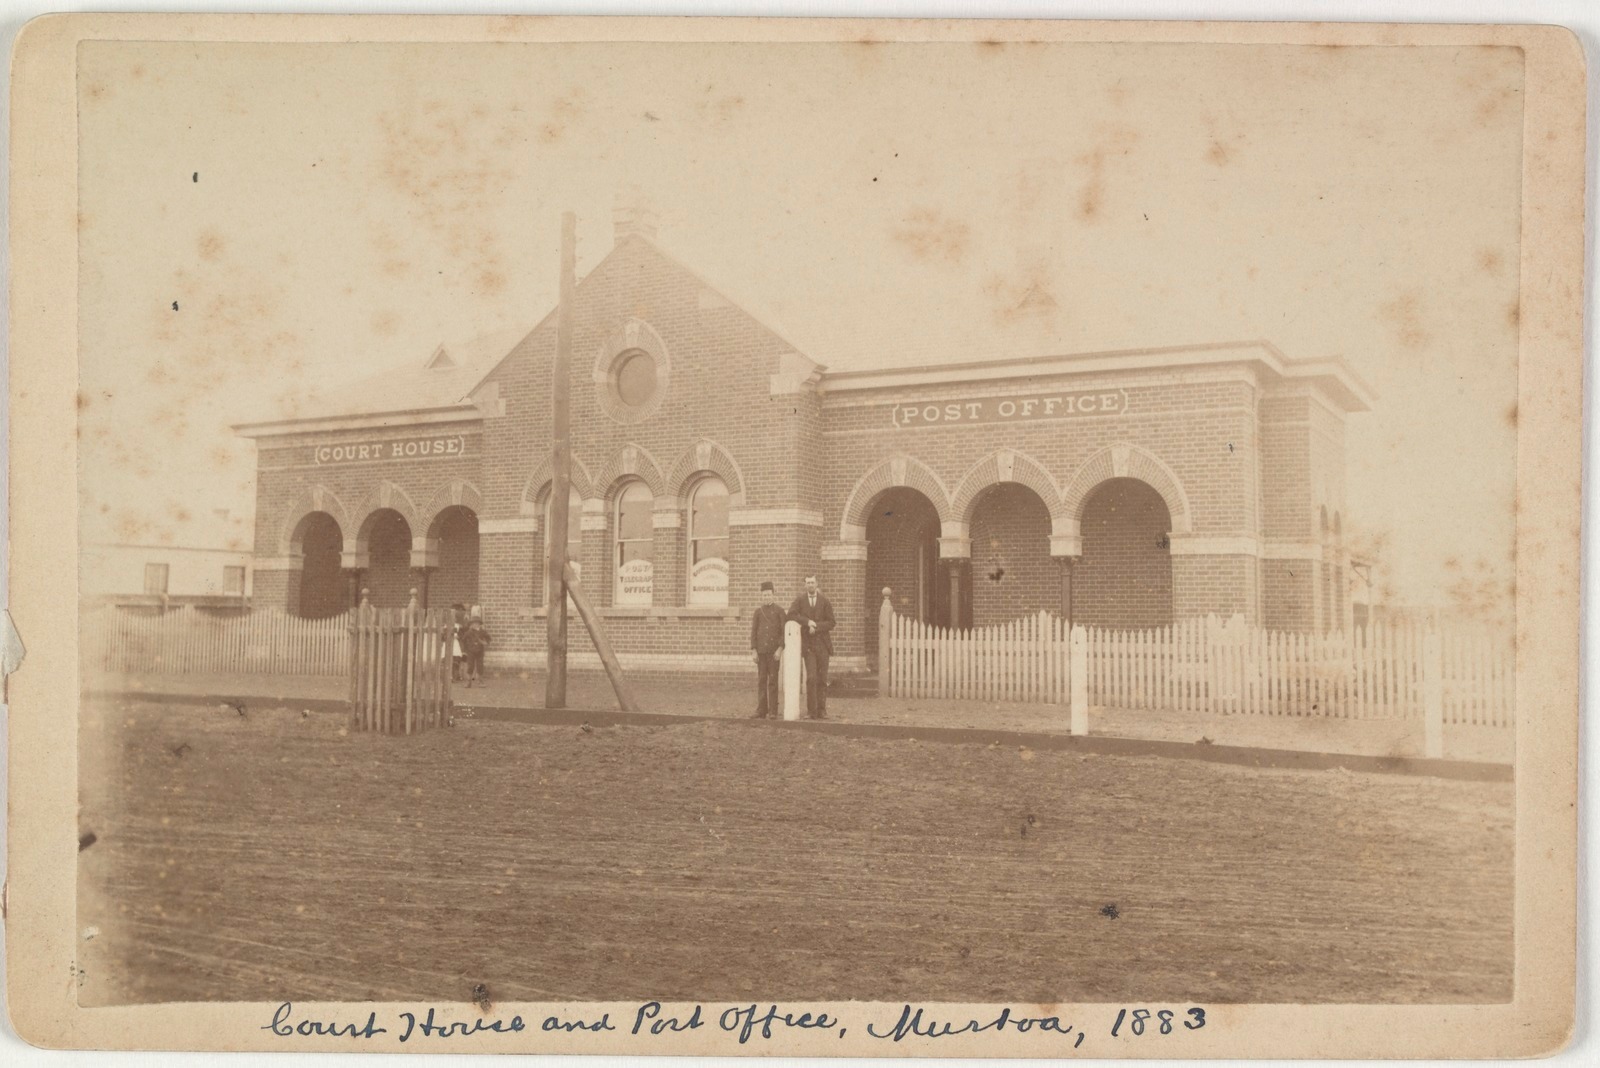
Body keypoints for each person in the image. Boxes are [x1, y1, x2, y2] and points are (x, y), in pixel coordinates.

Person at [787, 575, 835, 719]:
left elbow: (832, 622)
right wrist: (807, 622)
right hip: (808, 646)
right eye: (808, 583)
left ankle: (822, 710)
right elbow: (791, 615)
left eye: (812, 582)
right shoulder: (800, 600)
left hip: (823, 646)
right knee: (811, 678)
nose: (810, 585)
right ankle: (811, 711)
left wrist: (817, 626)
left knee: (822, 678)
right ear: (805, 585)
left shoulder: (824, 601)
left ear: (817, 583)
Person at [749, 581, 786, 718]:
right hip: (761, 652)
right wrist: (754, 650)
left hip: (773, 653)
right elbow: (754, 632)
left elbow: (783, 632)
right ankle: (761, 709)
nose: (767, 597)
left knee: (773, 681)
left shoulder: (780, 611)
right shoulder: (758, 612)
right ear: (761, 596)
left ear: (773, 595)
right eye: (764, 595)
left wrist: (780, 649)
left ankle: (773, 711)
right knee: (761, 680)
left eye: (769, 594)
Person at [460, 617, 491, 688]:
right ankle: (468, 682)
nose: (475, 625)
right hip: (470, 651)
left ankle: (480, 681)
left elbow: (489, 639)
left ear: (480, 624)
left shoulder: (483, 632)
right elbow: (463, 640)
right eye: (473, 624)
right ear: (471, 625)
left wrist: (484, 642)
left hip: (480, 651)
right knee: (470, 666)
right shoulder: (468, 632)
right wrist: (465, 650)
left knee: (480, 666)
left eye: (477, 623)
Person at [449, 603, 466, 681]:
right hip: (450, 645)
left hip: (458, 645)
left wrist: (459, 636)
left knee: (458, 659)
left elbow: (462, 635)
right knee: (451, 660)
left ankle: (457, 675)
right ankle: (452, 676)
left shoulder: (460, 625)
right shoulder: (448, 625)